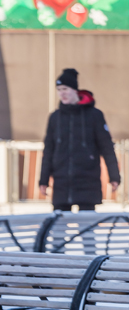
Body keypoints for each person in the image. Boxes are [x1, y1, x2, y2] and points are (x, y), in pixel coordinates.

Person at [39, 68, 120, 211]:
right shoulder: (55, 117)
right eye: (59, 90)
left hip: (87, 182)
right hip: (62, 183)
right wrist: (43, 180)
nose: (62, 93)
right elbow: (49, 151)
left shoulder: (94, 115)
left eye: (65, 89)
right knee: (59, 222)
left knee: (87, 223)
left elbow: (107, 147)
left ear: (75, 90)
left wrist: (114, 176)